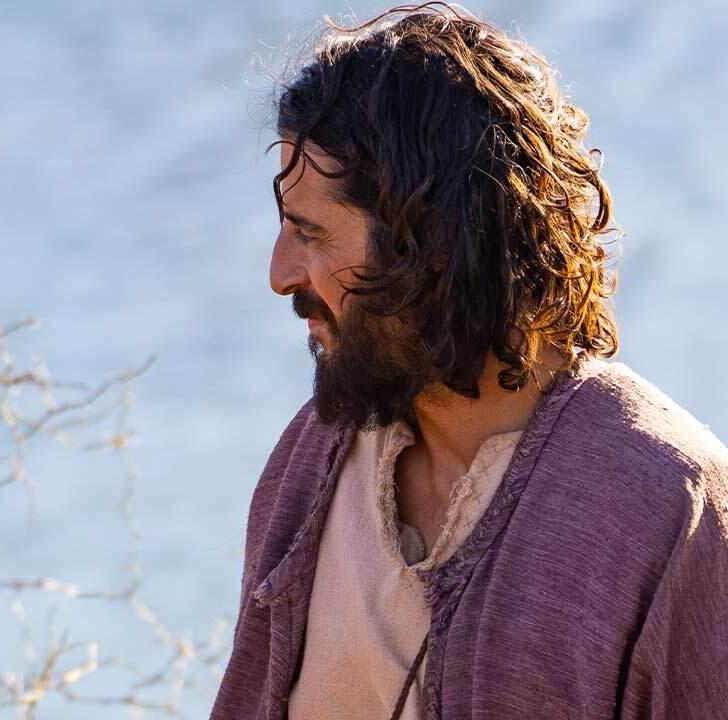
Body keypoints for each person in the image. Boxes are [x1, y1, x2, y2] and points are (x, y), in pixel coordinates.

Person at [212, 6, 728, 720]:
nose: (280, 275)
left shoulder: (665, 510)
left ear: (437, 243)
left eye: (312, 233)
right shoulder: (310, 464)